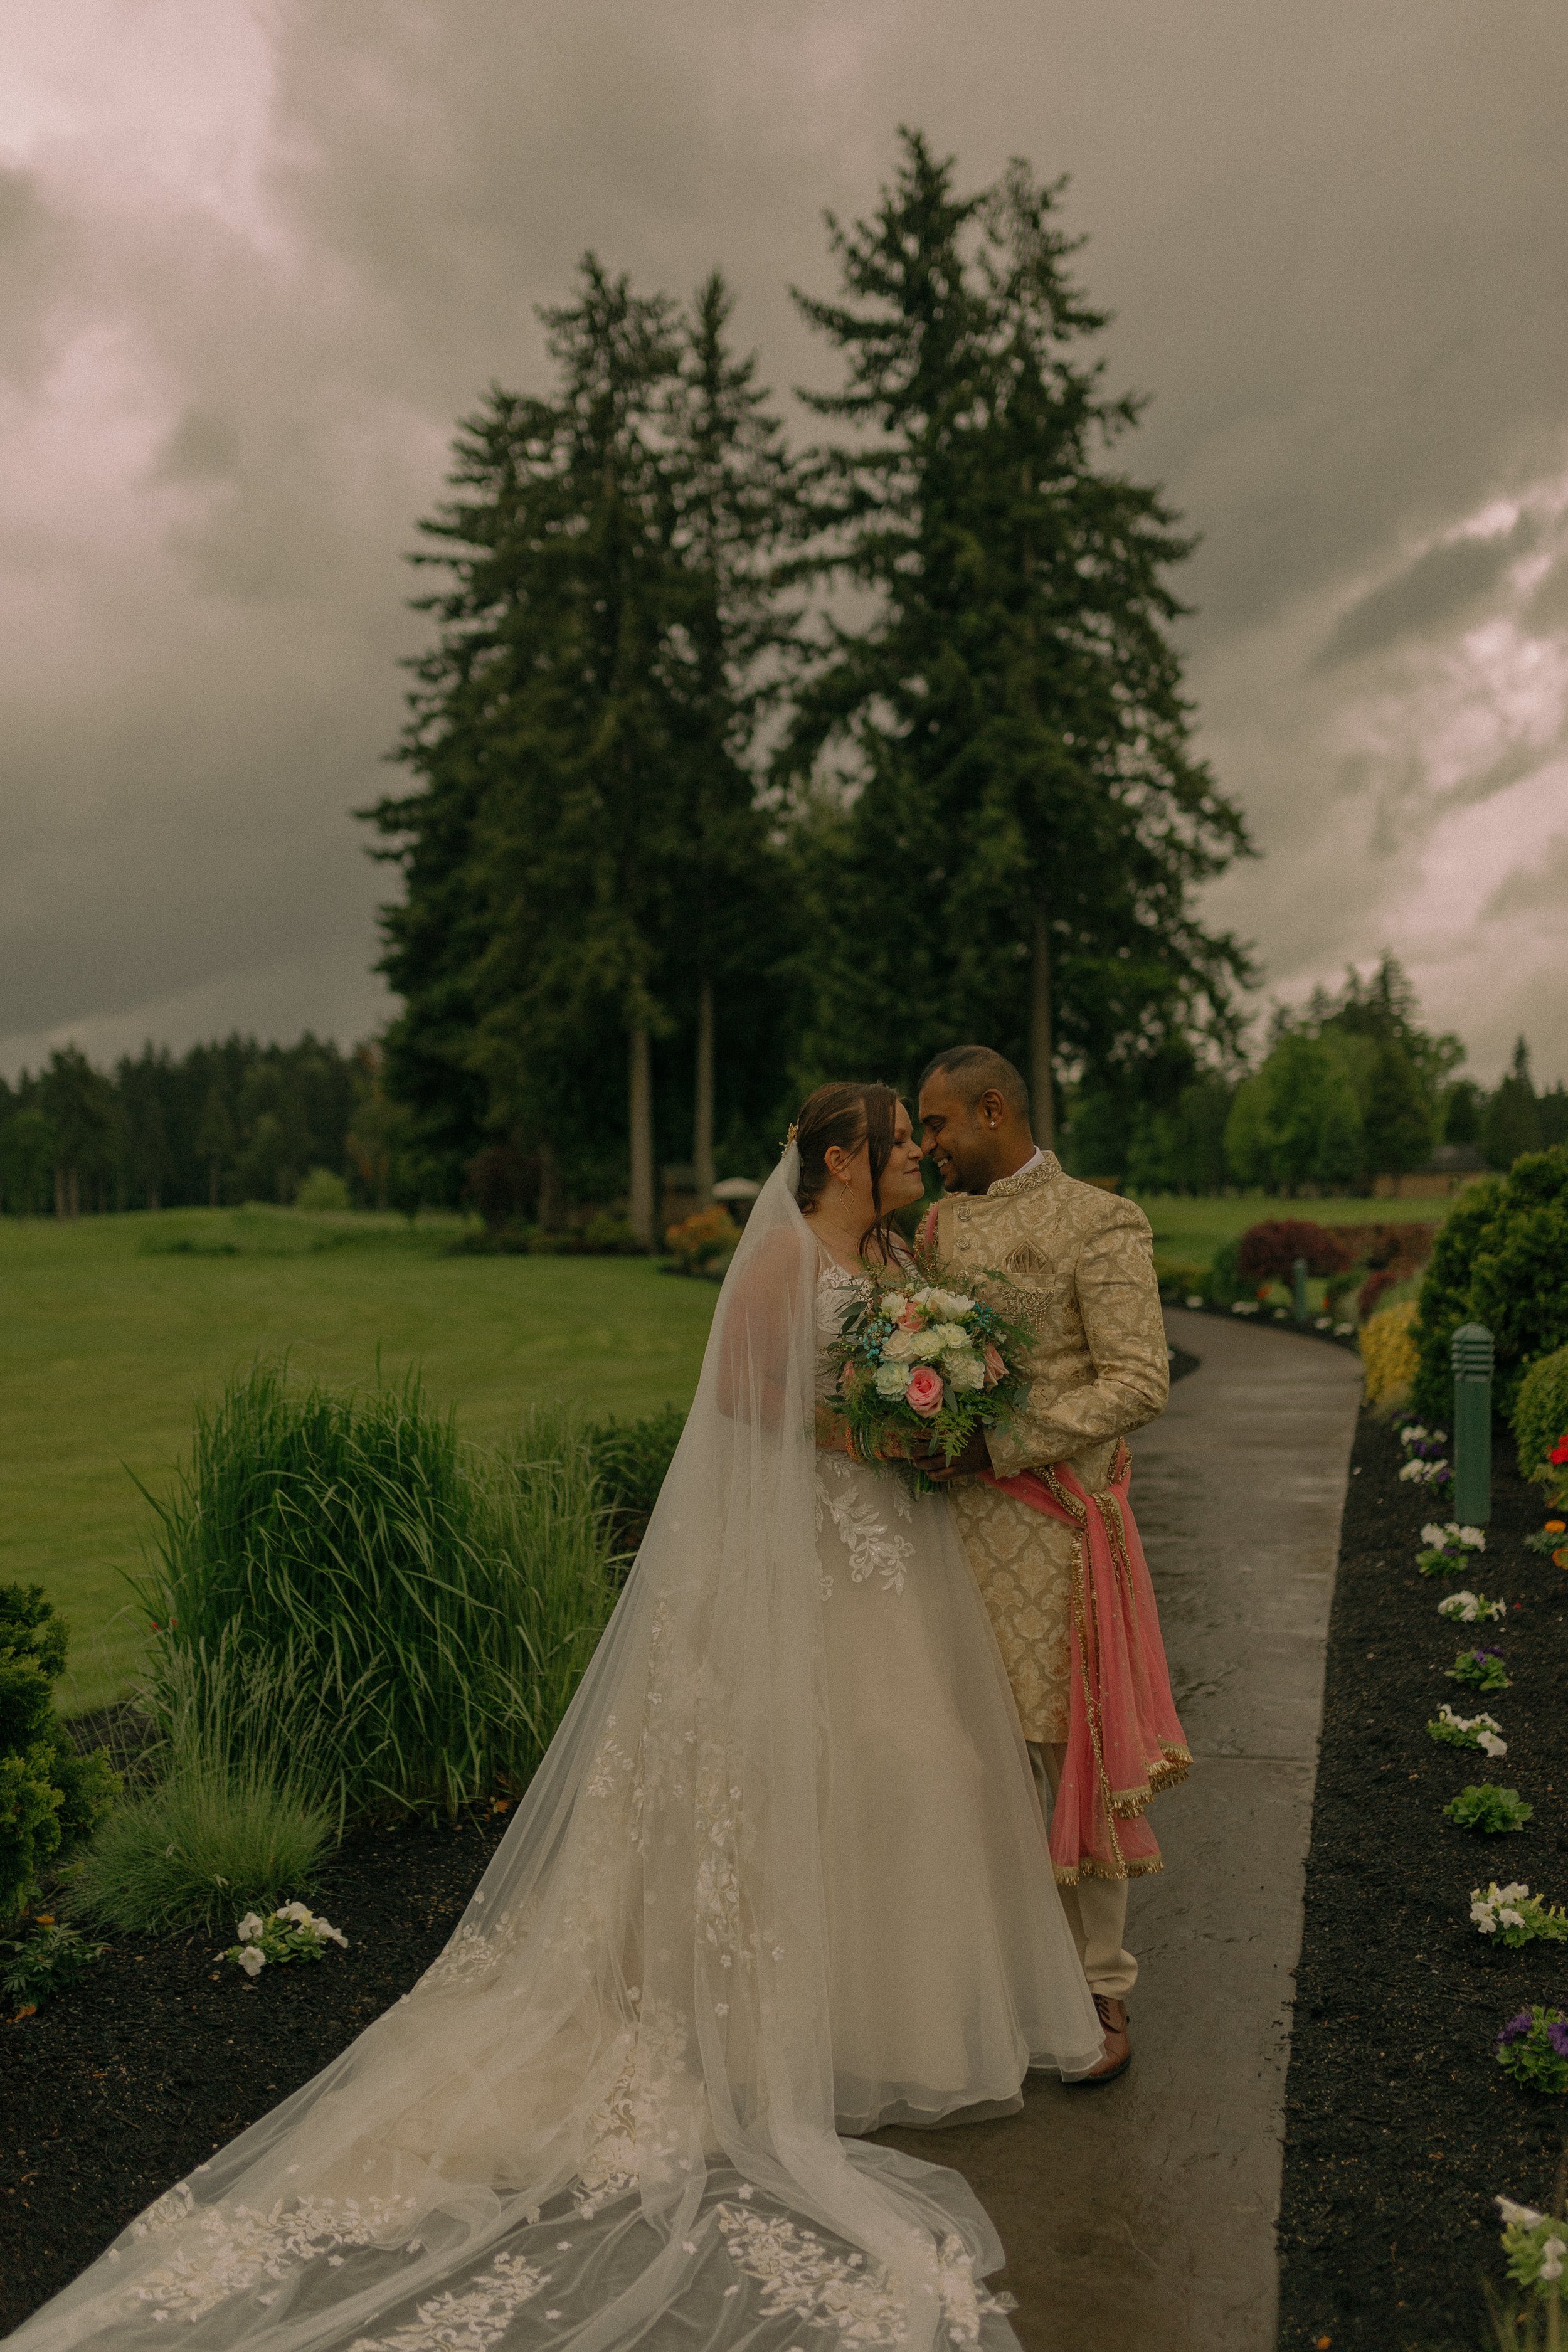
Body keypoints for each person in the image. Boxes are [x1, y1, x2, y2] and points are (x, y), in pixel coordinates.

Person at [11, 1081, 1101, 2352]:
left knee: (911, 1765)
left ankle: (885, 2023)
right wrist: (874, 1429)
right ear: (846, 1156)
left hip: (883, 1556)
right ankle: (782, 2037)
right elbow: (744, 1409)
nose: (915, 1152)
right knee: (829, 1761)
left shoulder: (895, 1255)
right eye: (899, 1140)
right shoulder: (782, 1262)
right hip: (802, 1555)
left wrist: (928, 1416)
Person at [913, 1045, 1190, 2086]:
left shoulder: (1098, 1218)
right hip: (946, 1530)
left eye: (940, 1125)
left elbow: (1140, 1380)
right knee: (958, 1757)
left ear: (995, 1111)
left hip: (1056, 1526)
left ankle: (1099, 1987)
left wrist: (1009, 1442)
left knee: (1065, 1756)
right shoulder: (936, 1228)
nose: (930, 1145)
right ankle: (978, 1982)